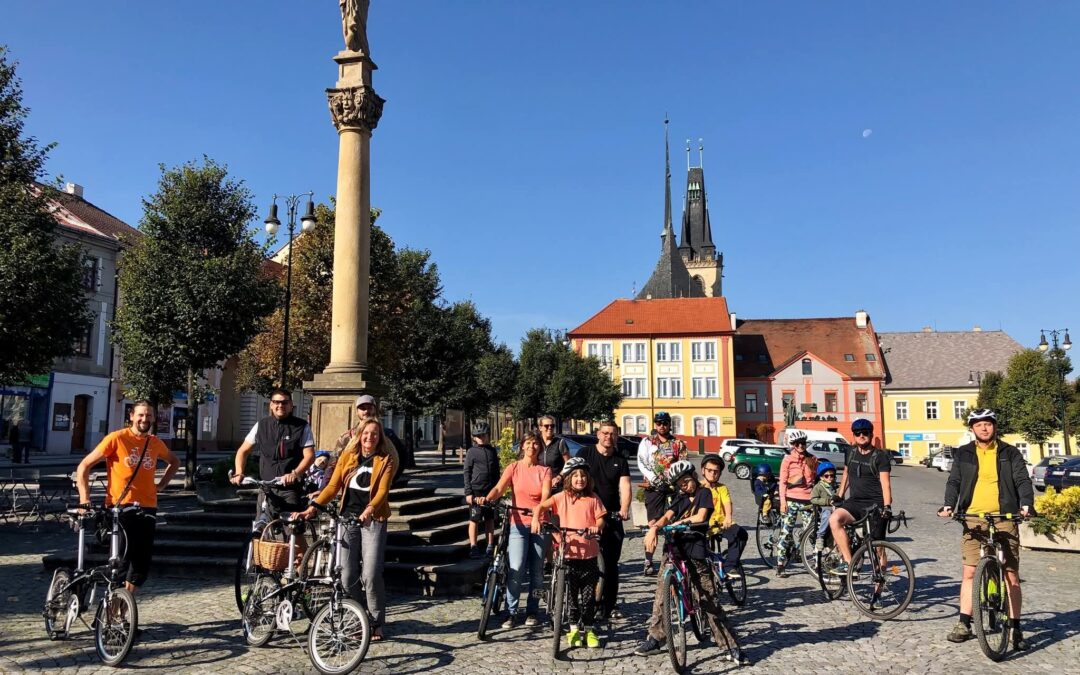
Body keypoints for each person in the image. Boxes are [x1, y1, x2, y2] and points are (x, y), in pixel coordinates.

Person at [634, 460, 750, 665]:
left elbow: (701, 516)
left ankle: (730, 645)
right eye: (680, 484)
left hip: (695, 550)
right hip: (674, 549)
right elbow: (667, 516)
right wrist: (655, 528)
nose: (684, 486)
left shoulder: (704, 493)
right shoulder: (679, 498)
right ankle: (655, 637)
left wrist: (679, 524)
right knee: (661, 597)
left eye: (686, 481)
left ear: (694, 477)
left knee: (708, 600)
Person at [938, 409, 1034, 650]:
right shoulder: (964, 453)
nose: (984, 428)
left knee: (1011, 574)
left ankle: (1015, 627)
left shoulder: (1009, 453)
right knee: (970, 572)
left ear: (995, 427)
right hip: (973, 517)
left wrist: (1026, 504)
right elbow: (955, 481)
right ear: (972, 428)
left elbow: (1022, 479)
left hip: (1005, 517)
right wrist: (949, 504)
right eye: (978, 424)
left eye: (988, 424)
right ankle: (964, 623)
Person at [300, 418, 395, 641]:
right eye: (366, 433)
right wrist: (313, 508)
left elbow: (383, 491)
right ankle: (359, 618)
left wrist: (370, 510)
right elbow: (333, 486)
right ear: (359, 435)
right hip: (347, 518)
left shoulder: (385, 459)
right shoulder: (349, 456)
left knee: (370, 574)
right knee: (346, 575)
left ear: (379, 437)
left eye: (374, 434)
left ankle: (376, 622)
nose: (370, 437)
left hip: (373, 520)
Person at [75, 401, 181, 595]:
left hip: (148, 508)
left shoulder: (155, 443)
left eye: (149, 415)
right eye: (141, 415)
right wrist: (84, 499)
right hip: (120, 507)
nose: (144, 419)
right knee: (121, 562)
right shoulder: (117, 438)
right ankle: (111, 614)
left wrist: (161, 485)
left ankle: (122, 614)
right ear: (131, 416)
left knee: (141, 565)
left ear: (153, 418)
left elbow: (174, 462)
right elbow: (84, 466)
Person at [478, 431, 552, 628]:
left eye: (535, 443)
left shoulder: (544, 471)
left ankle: (533, 611)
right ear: (522, 446)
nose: (532, 447)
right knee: (516, 568)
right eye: (528, 443)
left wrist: (537, 514)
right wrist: (488, 498)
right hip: (518, 524)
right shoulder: (514, 467)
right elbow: (499, 488)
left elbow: (546, 496)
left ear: (540, 447)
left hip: (540, 524)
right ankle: (511, 612)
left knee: (537, 571)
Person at [533, 457, 606, 649]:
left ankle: (589, 629)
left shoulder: (593, 498)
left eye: (583, 475)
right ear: (569, 479)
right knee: (572, 597)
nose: (580, 479)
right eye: (575, 476)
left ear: (588, 479)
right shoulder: (561, 497)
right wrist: (536, 520)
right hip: (568, 555)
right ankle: (573, 628)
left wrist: (594, 527)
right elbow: (541, 506)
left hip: (589, 555)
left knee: (589, 596)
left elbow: (600, 520)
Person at [575, 420, 631, 621]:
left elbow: (625, 487)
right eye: (605, 433)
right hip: (586, 516)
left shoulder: (620, 460)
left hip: (611, 516)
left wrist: (624, 508)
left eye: (612, 434)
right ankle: (580, 602)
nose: (608, 437)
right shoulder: (585, 454)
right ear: (598, 434)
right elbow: (575, 478)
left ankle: (610, 605)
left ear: (616, 436)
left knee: (611, 564)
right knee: (581, 563)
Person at [230, 389, 316, 518]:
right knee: (261, 527)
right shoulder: (261, 425)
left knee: (293, 530)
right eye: (276, 402)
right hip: (267, 488)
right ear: (271, 405)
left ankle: (294, 536)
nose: (280, 405)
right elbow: (243, 451)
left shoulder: (301, 426)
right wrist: (239, 472)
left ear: (291, 405)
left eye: (284, 402)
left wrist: (295, 473)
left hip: (290, 488)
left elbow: (309, 456)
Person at [828, 418, 892, 576]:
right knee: (834, 519)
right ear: (854, 435)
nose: (861, 435)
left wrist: (887, 506)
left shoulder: (880, 456)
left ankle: (879, 587)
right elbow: (847, 476)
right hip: (855, 502)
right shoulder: (850, 452)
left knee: (878, 549)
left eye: (865, 433)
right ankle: (850, 565)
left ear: (871, 434)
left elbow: (886, 484)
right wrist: (839, 495)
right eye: (858, 433)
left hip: (875, 504)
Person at [636, 411, 687, 576]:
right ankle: (648, 560)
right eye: (659, 423)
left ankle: (672, 557)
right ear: (655, 424)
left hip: (673, 488)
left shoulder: (678, 444)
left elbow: (684, 464)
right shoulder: (647, 441)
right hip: (654, 488)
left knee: (674, 525)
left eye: (665, 423)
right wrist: (652, 477)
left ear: (669, 424)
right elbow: (642, 461)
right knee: (653, 525)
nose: (662, 426)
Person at [776, 429, 817, 577]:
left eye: (803, 443)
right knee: (785, 533)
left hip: (808, 501)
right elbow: (782, 482)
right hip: (791, 500)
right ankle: (780, 564)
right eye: (798, 443)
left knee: (812, 534)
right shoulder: (787, 459)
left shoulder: (812, 459)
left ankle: (817, 564)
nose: (801, 446)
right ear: (793, 445)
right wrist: (782, 502)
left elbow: (815, 481)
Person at [333, 394, 401, 478]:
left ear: (375, 410)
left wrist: (390, 481)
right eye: (362, 408)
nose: (366, 411)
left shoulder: (388, 434)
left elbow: (399, 460)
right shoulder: (346, 437)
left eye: (369, 408)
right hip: (351, 484)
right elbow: (334, 462)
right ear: (357, 411)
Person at [700, 453, 747, 570]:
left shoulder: (722, 488)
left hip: (720, 524)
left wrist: (728, 517)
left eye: (716, 471)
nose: (712, 473)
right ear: (703, 470)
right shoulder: (697, 487)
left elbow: (727, 502)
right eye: (709, 470)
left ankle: (729, 567)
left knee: (741, 534)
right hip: (703, 526)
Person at [463, 421, 500, 558]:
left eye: (483, 435)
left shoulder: (492, 451)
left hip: (490, 491)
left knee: (489, 519)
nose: (481, 438)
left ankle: (490, 546)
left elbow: (496, 472)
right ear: (474, 437)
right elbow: (467, 472)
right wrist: (468, 492)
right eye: (478, 436)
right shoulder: (471, 452)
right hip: (476, 490)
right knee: (474, 519)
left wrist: (497, 491)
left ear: (488, 435)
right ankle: (473, 546)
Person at [810, 461, 838, 553]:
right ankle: (820, 536)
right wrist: (827, 501)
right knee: (827, 514)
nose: (830, 477)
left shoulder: (835, 486)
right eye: (826, 476)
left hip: (835, 509)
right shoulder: (818, 487)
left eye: (832, 475)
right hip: (824, 509)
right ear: (821, 477)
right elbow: (813, 499)